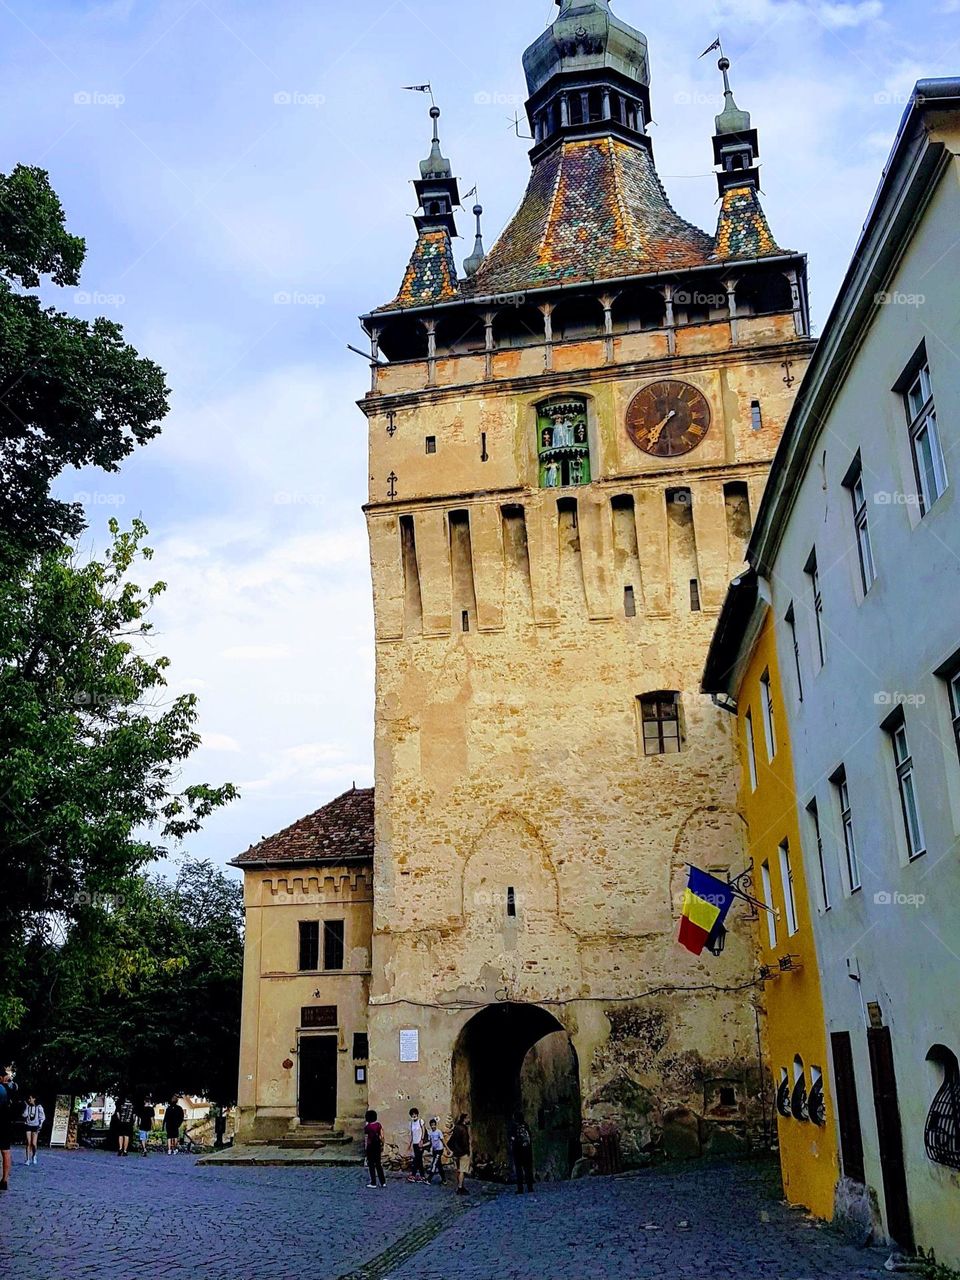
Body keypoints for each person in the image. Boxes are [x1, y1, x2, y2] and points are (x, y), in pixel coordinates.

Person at [0, 1064, 19, 1191]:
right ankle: (5, 1180)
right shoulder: (12, 1087)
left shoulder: (1, 1088)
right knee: (6, 1151)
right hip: (7, 1123)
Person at [508, 1110, 534, 1194]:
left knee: (519, 1170)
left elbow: (511, 1138)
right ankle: (530, 1187)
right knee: (527, 1169)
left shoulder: (514, 1126)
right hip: (527, 1151)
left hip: (518, 1151)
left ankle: (520, 1188)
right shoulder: (525, 1125)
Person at [448, 1113, 470, 1196]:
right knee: (462, 1171)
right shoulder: (463, 1129)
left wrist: (452, 1150)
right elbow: (465, 1142)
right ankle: (460, 1187)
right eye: (467, 1118)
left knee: (458, 1170)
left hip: (456, 1153)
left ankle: (460, 1185)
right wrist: (466, 1151)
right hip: (462, 1153)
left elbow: (451, 1140)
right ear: (464, 1119)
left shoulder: (456, 1127)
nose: (469, 1120)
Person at [363, 1109, 386, 1189]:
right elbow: (382, 1136)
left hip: (370, 1147)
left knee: (371, 1165)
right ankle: (383, 1182)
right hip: (377, 1146)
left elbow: (366, 1139)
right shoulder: (378, 1125)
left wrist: (365, 1149)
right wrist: (382, 1144)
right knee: (378, 1164)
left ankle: (373, 1182)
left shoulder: (367, 1127)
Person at [23, 1094, 45, 1166]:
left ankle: (34, 1155)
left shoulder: (39, 1107)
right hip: (28, 1125)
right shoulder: (28, 1107)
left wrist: (40, 1124)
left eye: (30, 1098)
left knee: (34, 1143)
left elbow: (42, 1117)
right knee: (28, 1142)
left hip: (35, 1126)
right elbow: (24, 1115)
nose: (29, 1100)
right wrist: (26, 1108)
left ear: (34, 1099)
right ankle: (27, 1159)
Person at [406, 1107, 426, 1183]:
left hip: (419, 1143)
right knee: (418, 1160)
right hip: (414, 1143)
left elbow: (423, 1130)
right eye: (412, 1114)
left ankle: (414, 1175)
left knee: (417, 1159)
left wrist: (422, 1140)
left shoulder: (421, 1121)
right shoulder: (411, 1123)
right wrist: (409, 1144)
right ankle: (422, 1176)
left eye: (415, 1114)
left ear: (417, 1114)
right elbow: (412, 1134)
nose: (414, 1115)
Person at [426, 1117, 446, 1184]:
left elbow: (443, 1140)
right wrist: (423, 1146)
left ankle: (429, 1179)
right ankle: (444, 1179)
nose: (433, 1126)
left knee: (434, 1164)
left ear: (436, 1125)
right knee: (439, 1165)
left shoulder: (438, 1132)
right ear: (430, 1125)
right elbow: (430, 1142)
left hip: (439, 1150)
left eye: (434, 1125)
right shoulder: (430, 1133)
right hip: (434, 1150)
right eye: (432, 1125)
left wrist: (447, 1149)